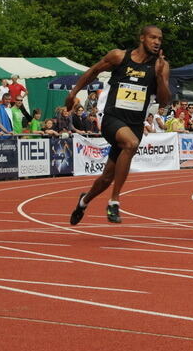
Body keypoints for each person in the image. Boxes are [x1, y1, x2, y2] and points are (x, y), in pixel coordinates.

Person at [68, 25, 170, 225]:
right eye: (153, 37)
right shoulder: (119, 57)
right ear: (142, 38)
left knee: (106, 178)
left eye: (160, 39)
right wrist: (73, 94)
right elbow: (93, 72)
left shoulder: (161, 66)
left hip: (135, 124)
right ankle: (114, 201)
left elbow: (164, 101)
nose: (157, 42)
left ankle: (84, 200)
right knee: (131, 144)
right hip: (111, 118)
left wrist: (158, 76)